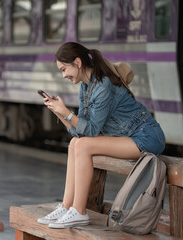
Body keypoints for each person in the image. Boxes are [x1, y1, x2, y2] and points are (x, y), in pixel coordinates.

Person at [37, 42, 165, 229]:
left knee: (82, 145)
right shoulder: (85, 87)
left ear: (78, 62)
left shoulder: (103, 85)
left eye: (64, 69)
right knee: (75, 143)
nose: (64, 75)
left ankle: (79, 212)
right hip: (128, 137)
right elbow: (79, 132)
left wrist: (66, 113)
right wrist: (59, 112)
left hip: (147, 137)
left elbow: (91, 131)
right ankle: (66, 207)